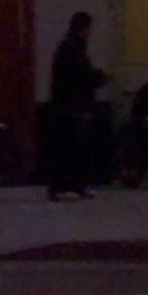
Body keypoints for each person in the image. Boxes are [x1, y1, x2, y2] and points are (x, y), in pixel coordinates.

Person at [46, 11, 107, 198]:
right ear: (83, 28)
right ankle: (68, 185)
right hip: (73, 105)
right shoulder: (72, 49)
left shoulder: (69, 47)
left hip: (68, 104)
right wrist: (99, 78)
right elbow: (79, 77)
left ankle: (70, 185)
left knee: (71, 147)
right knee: (73, 147)